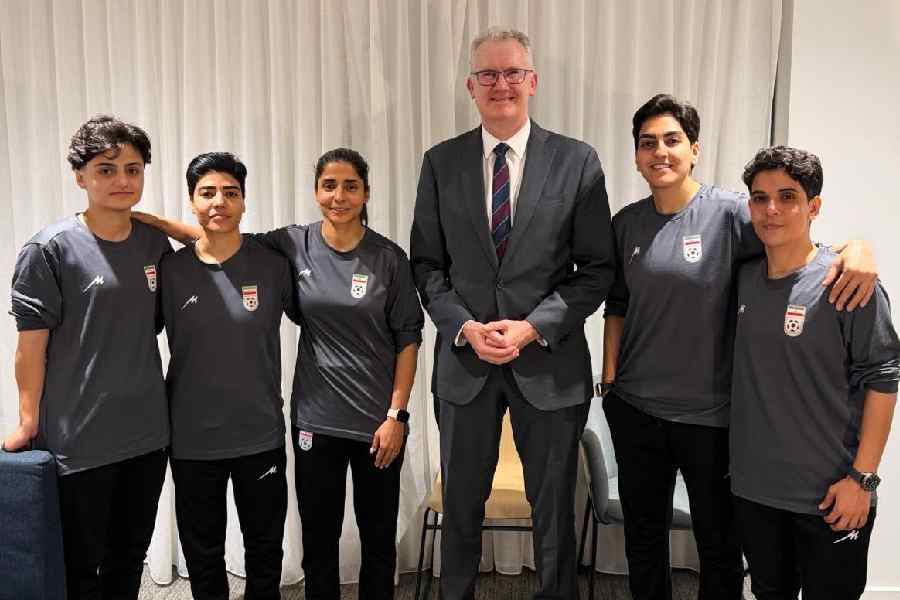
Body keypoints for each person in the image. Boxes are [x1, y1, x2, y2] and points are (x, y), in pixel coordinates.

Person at [600, 94, 879, 600]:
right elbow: (616, 303)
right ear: (636, 155)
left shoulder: (733, 212)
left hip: (712, 418)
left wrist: (857, 248)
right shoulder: (626, 222)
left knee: (720, 548)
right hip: (637, 409)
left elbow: (797, 245)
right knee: (642, 540)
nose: (659, 152)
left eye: (671, 140)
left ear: (694, 149)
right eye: (647, 143)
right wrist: (611, 379)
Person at [135, 147, 423, 600]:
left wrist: (397, 414)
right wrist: (153, 223)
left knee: (369, 539)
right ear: (315, 192)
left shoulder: (378, 258)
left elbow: (409, 337)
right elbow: (219, 238)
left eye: (351, 186)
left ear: (367, 192)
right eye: (329, 185)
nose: (339, 196)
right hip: (301, 421)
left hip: (363, 424)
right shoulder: (284, 246)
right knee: (310, 543)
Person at [410, 27, 616, 599]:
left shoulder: (577, 162)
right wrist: (464, 327)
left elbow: (596, 270)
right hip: (464, 365)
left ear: (533, 81)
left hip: (549, 367)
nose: (501, 84)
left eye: (512, 73)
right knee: (461, 507)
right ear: (471, 87)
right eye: (488, 75)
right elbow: (426, 266)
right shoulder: (440, 163)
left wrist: (532, 327)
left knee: (553, 509)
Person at [2, 115, 172, 599]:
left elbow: (208, 248)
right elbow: (28, 348)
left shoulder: (153, 244)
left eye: (134, 170)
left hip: (146, 434)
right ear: (80, 177)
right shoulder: (49, 249)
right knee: (81, 564)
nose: (122, 180)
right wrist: (27, 419)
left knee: (130, 556)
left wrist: (158, 220)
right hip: (79, 439)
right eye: (106, 169)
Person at [731, 146, 899, 600]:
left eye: (787, 196)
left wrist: (863, 480)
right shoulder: (742, 278)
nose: (771, 210)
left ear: (814, 206)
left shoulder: (848, 283)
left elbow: (884, 379)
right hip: (756, 492)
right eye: (759, 197)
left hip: (831, 495)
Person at [161, 152, 300, 600]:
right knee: (203, 555)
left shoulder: (274, 265)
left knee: (265, 550)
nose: (219, 202)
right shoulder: (170, 271)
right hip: (191, 440)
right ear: (191, 200)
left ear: (244, 202)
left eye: (230, 193)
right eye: (207, 193)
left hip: (259, 436)